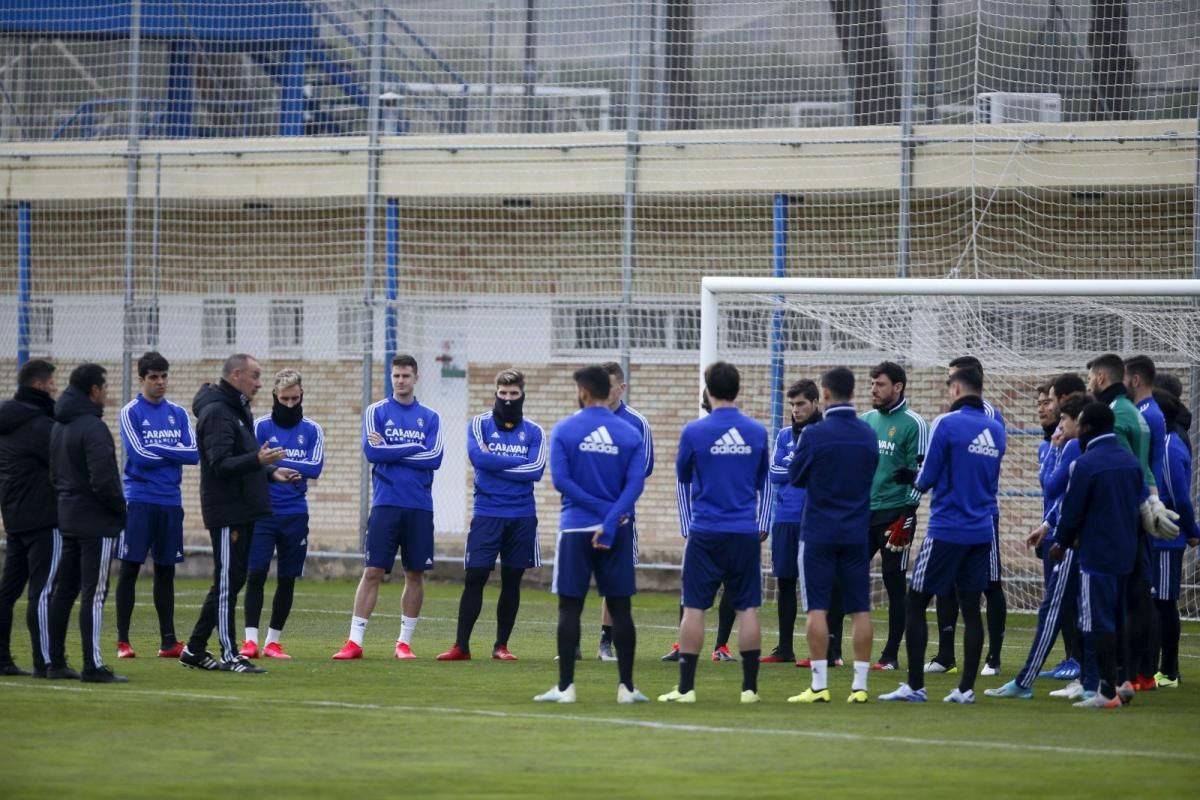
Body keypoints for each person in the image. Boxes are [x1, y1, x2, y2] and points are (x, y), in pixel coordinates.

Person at [880, 366, 1005, 704]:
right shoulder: (997, 429)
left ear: (955, 389)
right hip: (981, 529)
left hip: (948, 527)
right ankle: (966, 689)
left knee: (915, 601)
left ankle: (915, 686)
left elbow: (927, 478)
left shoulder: (945, 424)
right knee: (971, 607)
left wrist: (909, 475)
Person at [659, 362, 771, 704]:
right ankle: (750, 689)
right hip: (743, 531)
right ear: (737, 390)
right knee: (747, 607)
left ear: (707, 390)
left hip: (706, 529)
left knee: (694, 608)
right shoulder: (756, 431)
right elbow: (762, 477)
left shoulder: (695, 431)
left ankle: (686, 689)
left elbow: (683, 473)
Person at [534, 366, 646, 704]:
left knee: (570, 607)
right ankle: (626, 688)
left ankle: (566, 687)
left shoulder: (566, 429)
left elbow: (562, 482)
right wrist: (610, 519)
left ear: (583, 391)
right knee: (621, 608)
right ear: (608, 391)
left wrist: (597, 510)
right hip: (617, 530)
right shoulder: (629, 433)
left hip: (575, 529)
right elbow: (635, 485)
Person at [180, 354, 294, 673]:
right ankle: (231, 654)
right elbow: (219, 464)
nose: (260, 383)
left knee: (232, 580)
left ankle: (194, 648)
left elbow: (243, 458)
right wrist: (258, 461)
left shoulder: (237, 408)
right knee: (228, 581)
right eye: (256, 376)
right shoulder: (217, 412)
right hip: (227, 511)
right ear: (237, 375)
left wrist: (270, 473)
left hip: (243, 508)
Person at [333, 354, 443, 660]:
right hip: (386, 504)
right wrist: (412, 447)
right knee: (372, 571)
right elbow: (372, 452)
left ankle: (404, 643)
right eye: (396, 376)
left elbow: (434, 457)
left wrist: (390, 450)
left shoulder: (431, 417)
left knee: (415, 573)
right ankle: (354, 642)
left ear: (416, 378)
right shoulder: (376, 411)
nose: (401, 381)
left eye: (406, 376)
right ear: (391, 378)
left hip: (419, 506)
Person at [437, 369, 545, 662]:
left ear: (522, 394)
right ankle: (461, 646)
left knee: (512, 580)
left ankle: (501, 646)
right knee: (475, 576)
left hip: (522, 515)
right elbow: (478, 459)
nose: (508, 398)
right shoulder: (479, 424)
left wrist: (495, 463)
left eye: (513, 394)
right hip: (487, 512)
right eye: (503, 394)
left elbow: (534, 470)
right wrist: (514, 462)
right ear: (495, 393)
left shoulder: (534, 431)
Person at [987, 393, 1090, 699]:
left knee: (1054, 607)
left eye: (1063, 418)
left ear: (1078, 421)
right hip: (1099, 544)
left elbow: (1054, 487)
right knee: (1095, 610)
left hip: (1073, 542)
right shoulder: (1117, 455)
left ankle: (1025, 681)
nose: (1057, 422)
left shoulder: (1074, 449)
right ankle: (1098, 681)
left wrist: (1060, 534)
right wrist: (1047, 525)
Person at [785, 367, 878, 704]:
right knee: (860, 609)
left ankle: (820, 684)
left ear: (824, 394)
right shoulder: (867, 434)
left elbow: (795, 477)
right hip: (856, 532)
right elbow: (870, 474)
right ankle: (860, 686)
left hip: (819, 532)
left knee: (817, 610)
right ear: (853, 392)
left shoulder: (814, 435)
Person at [827, 361, 927, 672]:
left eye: (880, 384)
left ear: (898, 387)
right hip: (861, 514)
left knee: (894, 583)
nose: (874, 389)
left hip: (895, 515)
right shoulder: (866, 420)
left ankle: (890, 656)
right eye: (871, 384)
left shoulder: (914, 424)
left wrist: (908, 515)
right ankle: (833, 651)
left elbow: (921, 474)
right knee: (841, 580)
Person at [1086, 353, 1176, 699]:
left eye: (1091, 376)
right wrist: (1152, 500)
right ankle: (1132, 675)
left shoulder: (1116, 415)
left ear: (1102, 378)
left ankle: (1117, 678)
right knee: (1137, 598)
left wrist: (1143, 504)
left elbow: (1119, 468)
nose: (1089, 381)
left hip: (1121, 520)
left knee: (1119, 601)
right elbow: (1145, 467)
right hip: (1138, 514)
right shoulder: (1135, 414)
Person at [1049, 402, 1143, 709]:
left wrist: (1060, 543)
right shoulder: (1130, 461)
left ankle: (1105, 690)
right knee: (1118, 618)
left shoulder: (1086, 464)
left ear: (1086, 428)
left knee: (1096, 622)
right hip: (1126, 551)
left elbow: (1073, 511)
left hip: (1096, 554)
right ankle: (1124, 680)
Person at [114, 351, 198, 660]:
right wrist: (172, 450)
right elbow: (139, 456)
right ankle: (123, 641)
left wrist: (160, 448)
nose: (160, 382)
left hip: (170, 502)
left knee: (166, 571)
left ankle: (168, 642)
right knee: (130, 568)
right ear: (141, 379)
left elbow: (193, 453)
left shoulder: (177, 412)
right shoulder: (131, 412)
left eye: (164, 376)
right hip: (139, 500)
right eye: (153, 377)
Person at [46, 363, 127, 683]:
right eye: (105, 388)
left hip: (67, 517)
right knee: (94, 593)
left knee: (63, 591)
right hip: (95, 522)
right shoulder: (93, 428)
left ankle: (54, 662)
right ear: (94, 390)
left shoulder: (59, 425)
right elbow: (104, 479)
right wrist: (120, 511)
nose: (107, 394)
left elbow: (54, 473)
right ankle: (92, 665)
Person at [926, 355, 1006, 677]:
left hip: (981, 514)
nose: (949, 388)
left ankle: (994, 658)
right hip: (950, 515)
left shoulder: (989, 417)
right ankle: (946, 656)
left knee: (990, 584)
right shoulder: (948, 418)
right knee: (946, 584)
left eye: (952, 380)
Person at [239, 369, 324, 660]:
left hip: (296, 514)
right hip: (262, 513)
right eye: (284, 398)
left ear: (302, 395)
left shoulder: (312, 430)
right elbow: (250, 462)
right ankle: (250, 640)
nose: (290, 404)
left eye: (295, 398)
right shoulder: (260, 426)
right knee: (256, 573)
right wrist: (273, 470)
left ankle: (273, 641)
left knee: (287, 578)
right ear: (275, 396)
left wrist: (277, 461)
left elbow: (315, 467)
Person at [0, 359, 60, 677]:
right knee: (43, 590)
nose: (55, 388)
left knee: (8, 591)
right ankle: (46, 661)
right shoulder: (39, 424)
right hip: (43, 517)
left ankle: (3, 659)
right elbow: (62, 462)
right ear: (39, 385)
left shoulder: (8, 418)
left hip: (14, 516)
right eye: (52, 383)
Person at [596, 362, 654, 663]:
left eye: (609, 387)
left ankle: (606, 642)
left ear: (622, 388)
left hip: (620, 514)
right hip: (585, 513)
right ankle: (571, 642)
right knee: (576, 578)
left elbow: (644, 468)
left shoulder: (637, 423)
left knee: (615, 579)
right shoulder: (585, 420)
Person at [762, 379, 821, 664]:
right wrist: (799, 467)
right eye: (793, 405)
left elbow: (817, 474)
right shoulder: (785, 434)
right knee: (785, 583)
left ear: (815, 404)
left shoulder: (823, 433)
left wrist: (793, 466)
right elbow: (774, 472)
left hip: (814, 518)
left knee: (819, 584)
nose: (796, 410)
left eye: (801, 404)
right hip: (785, 518)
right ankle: (784, 648)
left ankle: (825, 651)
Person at [1148, 388, 1198, 688]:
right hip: (1157, 537)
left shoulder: (1168, 445)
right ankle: (1158, 668)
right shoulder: (1164, 442)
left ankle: (1168, 671)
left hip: (1166, 539)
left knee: (1164, 604)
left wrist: (1192, 531)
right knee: (1157, 603)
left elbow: (1180, 496)